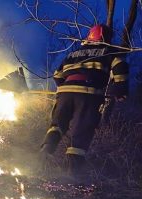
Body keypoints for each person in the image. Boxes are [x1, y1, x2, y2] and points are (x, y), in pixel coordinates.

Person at [40, 24, 129, 177]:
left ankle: (44, 153)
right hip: (89, 94)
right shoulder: (109, 51)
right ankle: (73, 174)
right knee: (81, 131)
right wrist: (120, 89)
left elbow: (57, 75)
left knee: (57, 125)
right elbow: (120, 66)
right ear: (106, 38)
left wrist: (67, 88)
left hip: (65, 92)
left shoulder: (73, 54)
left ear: (90, 37)